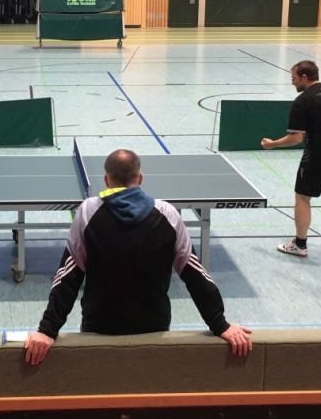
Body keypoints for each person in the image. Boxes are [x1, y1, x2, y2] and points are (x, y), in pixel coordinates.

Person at [23, 149, 253, 366]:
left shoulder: (87, 212)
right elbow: (195, 274)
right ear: (140, 178)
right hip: (154, 326)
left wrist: (47, 330)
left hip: (99, 325)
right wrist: (220, 324)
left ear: (106, 179)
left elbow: (68, 275)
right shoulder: (168, 214)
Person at [261, 60, 321, 258]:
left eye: (293, 78)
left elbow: (296, 138)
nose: (292, 82)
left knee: (303, 197)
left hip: (318, 156)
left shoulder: (302, 101)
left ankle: (300, 244)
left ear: (304, 77)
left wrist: (272, 144)